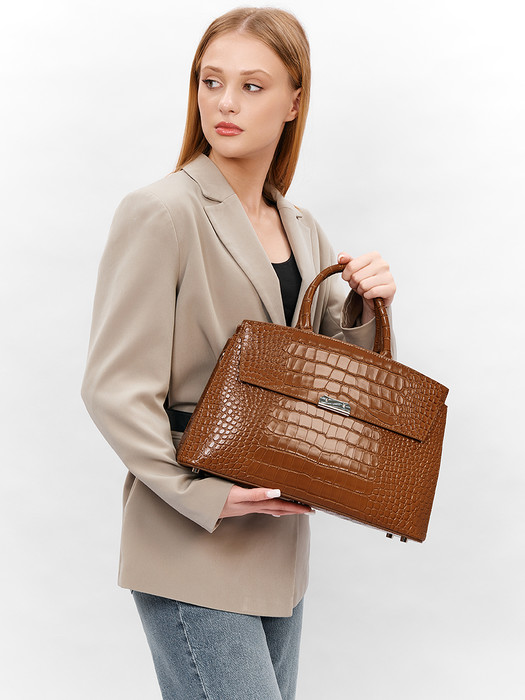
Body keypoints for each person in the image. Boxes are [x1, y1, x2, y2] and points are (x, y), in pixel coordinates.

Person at [81, 7, 396, 699]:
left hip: (277, 546)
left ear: (294, 101)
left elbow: (330, 385)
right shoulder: (162, 212)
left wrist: (364, 304)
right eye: (211, 81)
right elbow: (113, 387)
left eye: (252, 86)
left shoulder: (303, 228)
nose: (225, 103)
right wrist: (198, 492)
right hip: (189, 539)